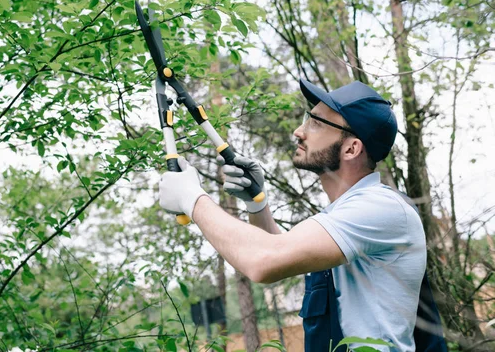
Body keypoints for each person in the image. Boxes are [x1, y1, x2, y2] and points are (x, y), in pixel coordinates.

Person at [158, 80, 444, 351]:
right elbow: (279, 256)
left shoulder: (379, 208)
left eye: (316, 123)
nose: (299, 130)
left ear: (351, 148)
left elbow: (264, 261)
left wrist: (192, 198)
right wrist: (258, 203)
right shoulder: (346, 214)